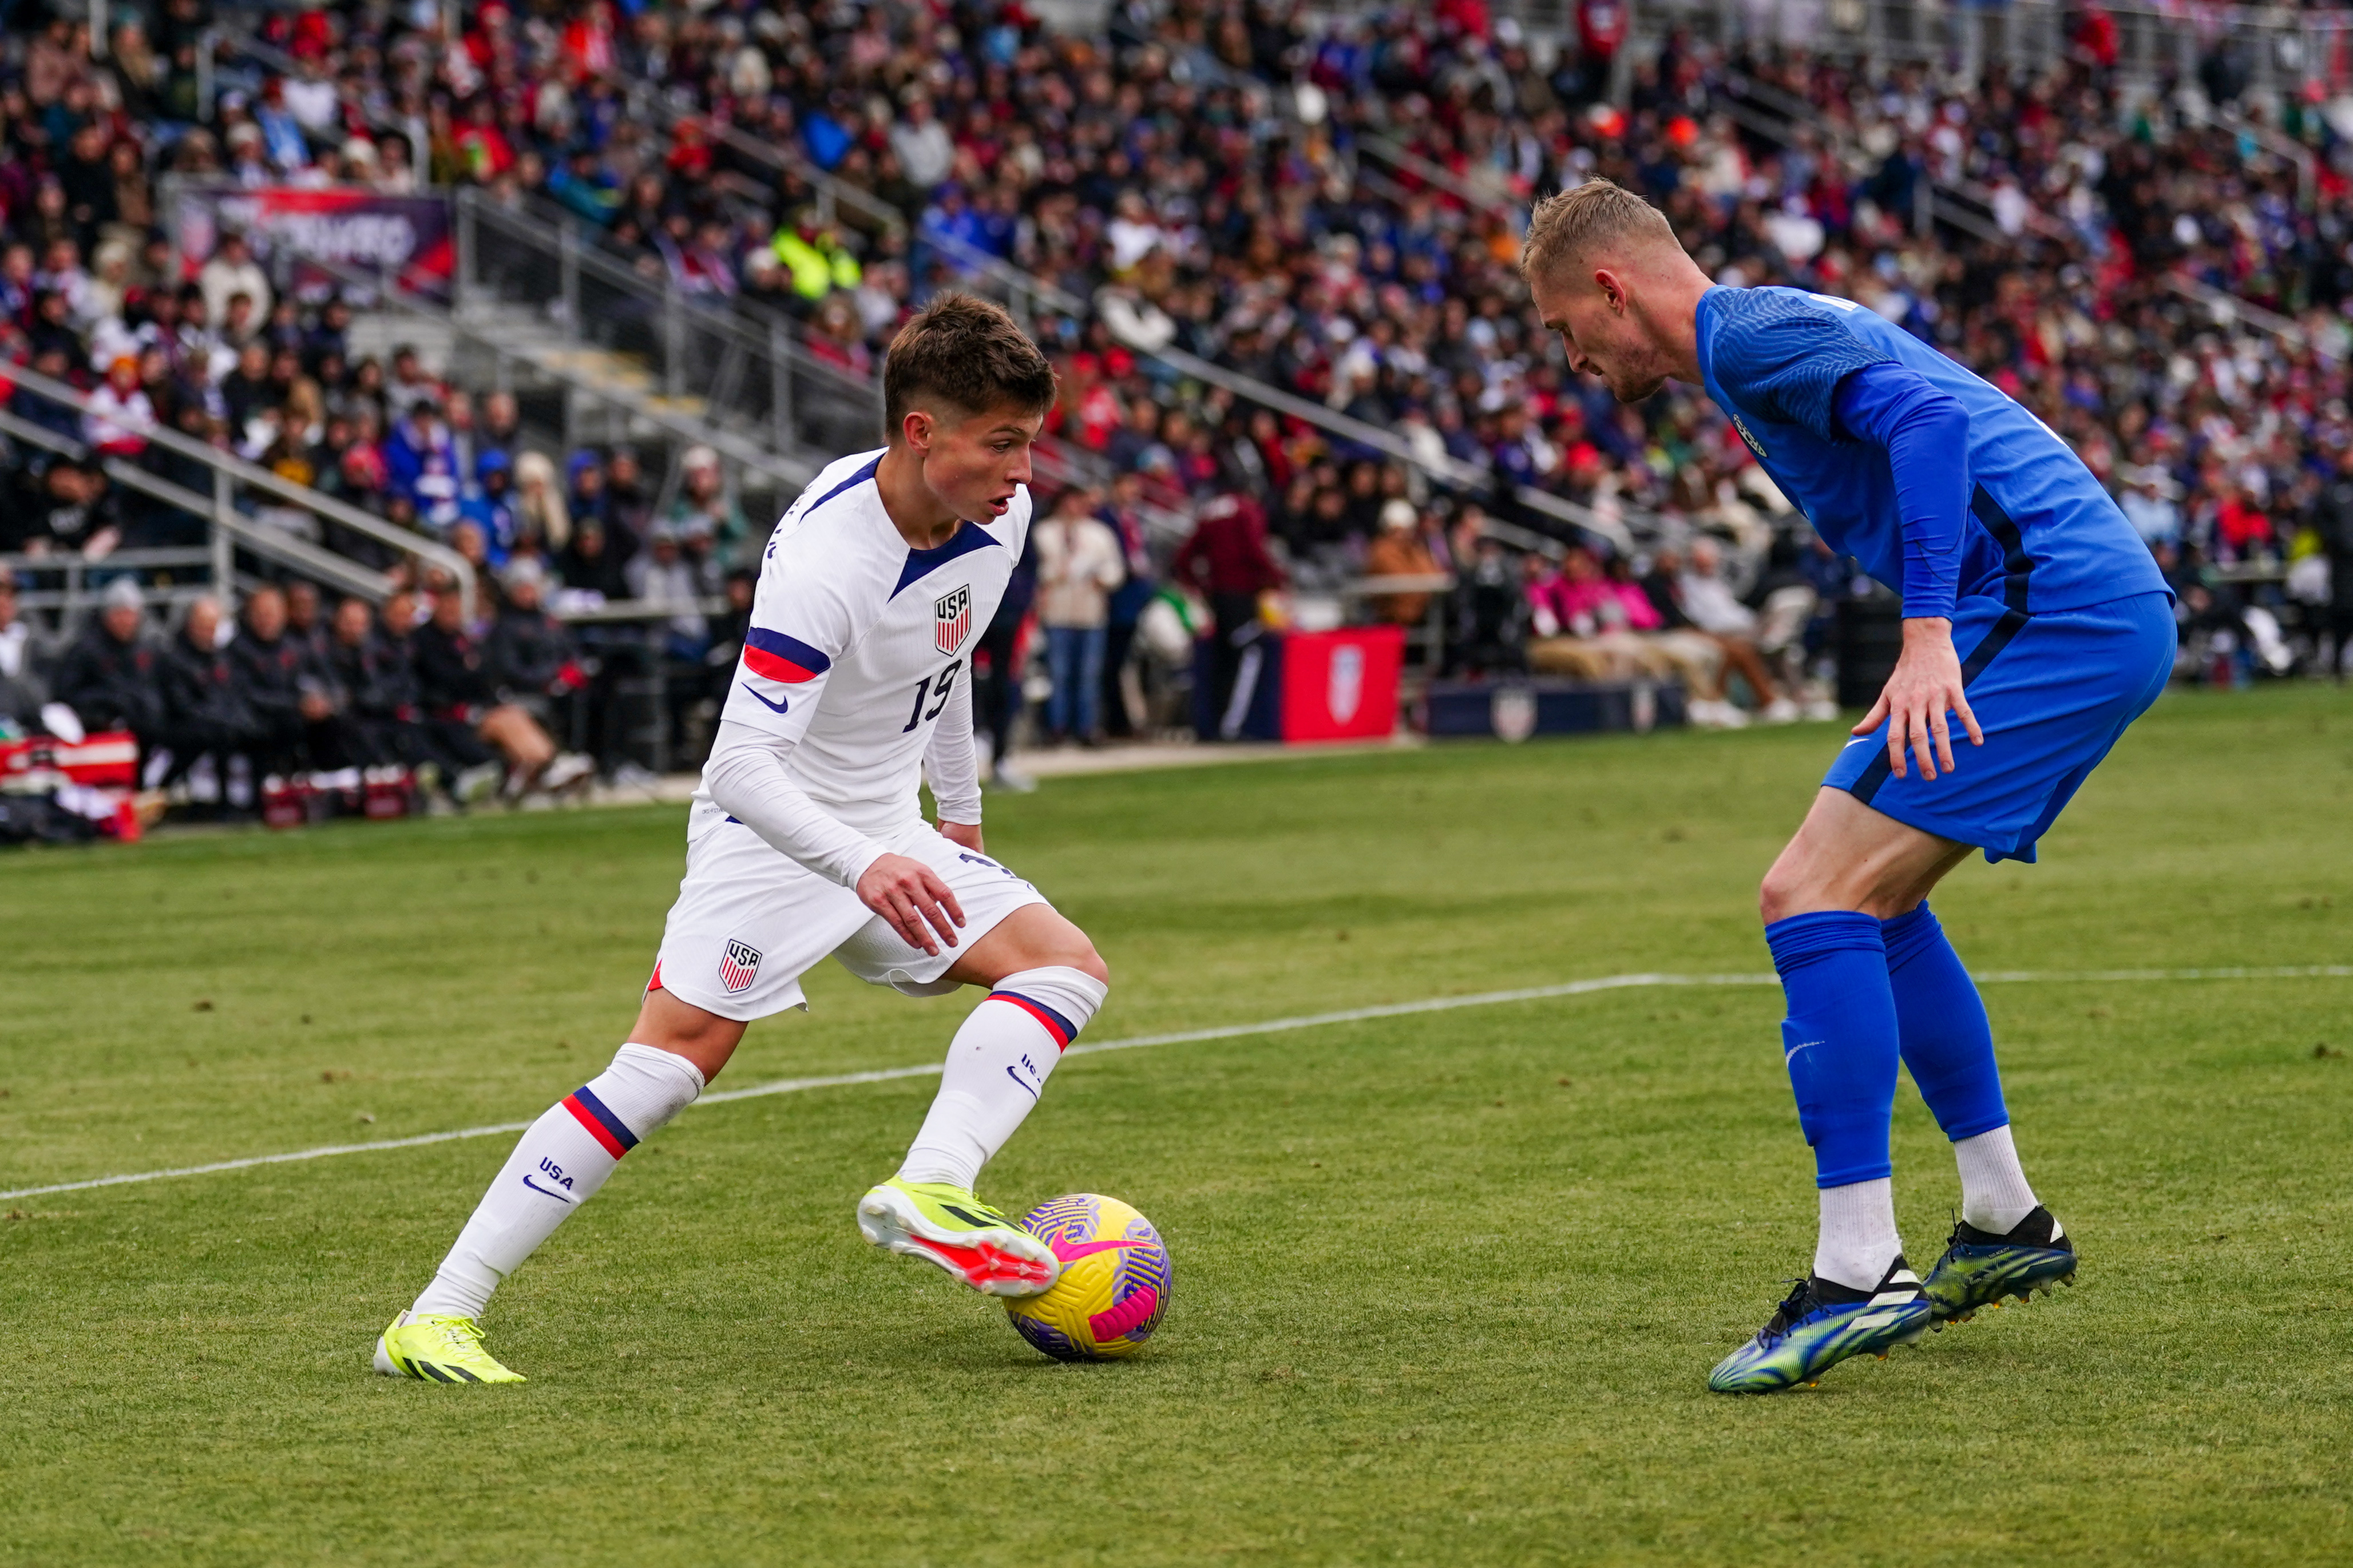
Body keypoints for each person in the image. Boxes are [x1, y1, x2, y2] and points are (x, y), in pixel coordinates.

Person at [374, 294, 1110, 1384]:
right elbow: (736, 767)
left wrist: (957, 817)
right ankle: (434, 1317)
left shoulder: (999, 519)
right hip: (773, 831)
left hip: (888, 828)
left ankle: (932, 1188)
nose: (1022, 470)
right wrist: (862, 861)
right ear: (921, 433)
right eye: (1001, 443)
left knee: (1063, 966)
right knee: (668, 1069)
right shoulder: (826, 565)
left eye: (1029, 442)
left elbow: (947, 654)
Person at [1523, 180, 2173, 1393]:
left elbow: (1926, 421)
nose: (1573, 360)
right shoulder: (1752, 343)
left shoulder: (1745, 335)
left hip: (2049, 605)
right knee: (1876, 903)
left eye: (1568, 329)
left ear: (1612, 289)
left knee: (1806, 892)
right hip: (2078, 601)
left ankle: (1857, 1268)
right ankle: (2002, 1216)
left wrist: (1926, 633)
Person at [1170, 491, 1285, 739]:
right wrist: (1277, 577)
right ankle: (1232, 726)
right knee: (1246, 655)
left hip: (1218, 596)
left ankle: (1213, 725)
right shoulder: (1246, 511)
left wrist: (1201, 585)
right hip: (1241, 595)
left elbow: (1184, 557)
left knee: (1222, 660)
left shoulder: (1212, 511)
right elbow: (1254, 549)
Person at [1032, 485, 1125, 745]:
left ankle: (1087, 729)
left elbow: (1116, 568)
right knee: (1058, 673)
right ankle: (1057, 728)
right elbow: (1033, 569)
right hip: (1056, 611)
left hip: (1091, 611)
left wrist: (1103, 579)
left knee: (1089, 675)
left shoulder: (1099, 534)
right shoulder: (1044, 532)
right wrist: (1055, 573)